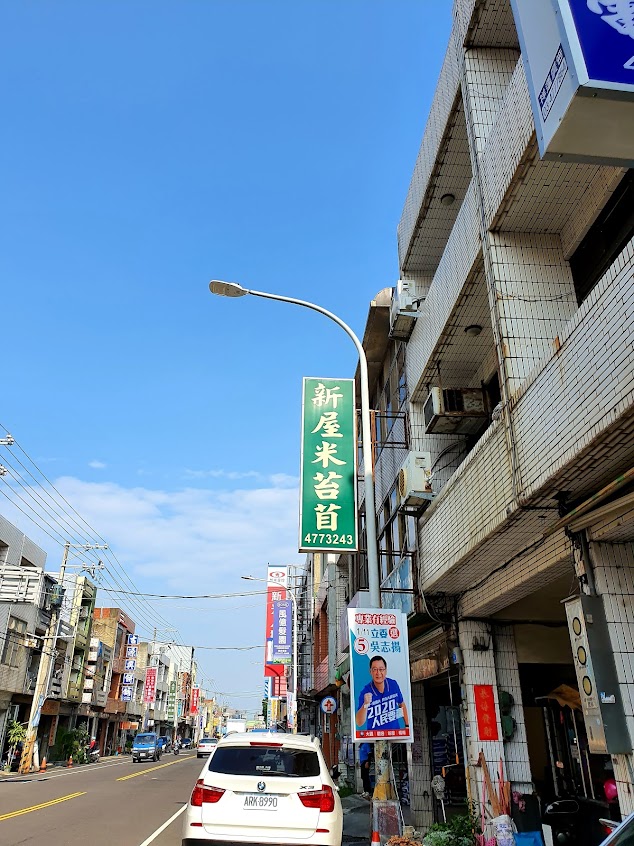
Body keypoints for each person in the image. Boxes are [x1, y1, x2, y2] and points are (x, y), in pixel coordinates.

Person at [355, 655, 410, 732]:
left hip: (394, 735)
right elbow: (359, 723)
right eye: (375, 669)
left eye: (381, 669)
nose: (378, 673)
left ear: (386, 671)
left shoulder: (393, 684)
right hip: (374, 738)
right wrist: (365, 704)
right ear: (370, 671)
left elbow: (401, 704)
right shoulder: (365, 691)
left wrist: (407, 725)